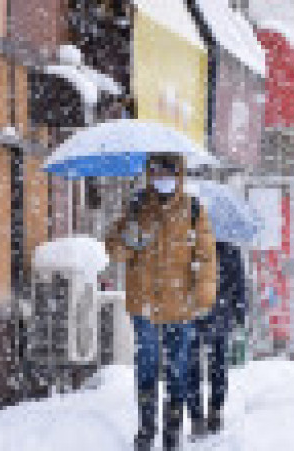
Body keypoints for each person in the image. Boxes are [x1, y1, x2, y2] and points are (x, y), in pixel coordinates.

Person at [105, 154, 216, 451]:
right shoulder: (136, 207)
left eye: (168, 171)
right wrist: (127, 235)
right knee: (147, 367)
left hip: (181, 306)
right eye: (156, 171)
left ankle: (172, 430)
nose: (161, 177)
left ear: (178, 174)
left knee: (177, 369)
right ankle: (145, 429)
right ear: (149, 173)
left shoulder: (193, 210)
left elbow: (206, 257)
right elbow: (116, 253)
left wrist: (203, 296)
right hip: (143, 305)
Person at [187, 241, 248, 439]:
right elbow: (239, 283)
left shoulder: (190, 241)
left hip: (193, 313)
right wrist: (239, 313)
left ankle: (197, 416)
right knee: (218, 365)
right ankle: (215, 411)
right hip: (220, 315)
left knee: (192, 366)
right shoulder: (231, 247)